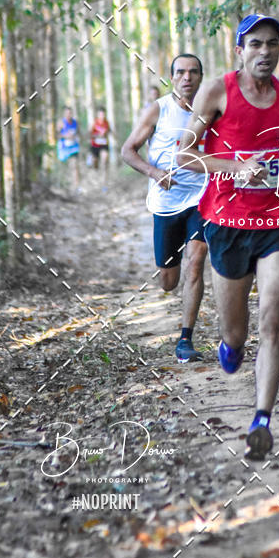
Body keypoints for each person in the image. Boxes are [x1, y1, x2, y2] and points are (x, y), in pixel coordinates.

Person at [177, 14, 279, 460]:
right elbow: (183, 155)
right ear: (239, 50)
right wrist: (233, 168)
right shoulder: (217, 91)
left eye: (272, 44)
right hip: (229, 223)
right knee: (235, 336)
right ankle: (230, 348)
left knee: (273, 319)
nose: (265, 52)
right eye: (255, 44)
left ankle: (262, 419)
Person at [121, 54, 209, 363]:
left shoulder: (211, 109)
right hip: (166, 203)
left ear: (200, 77)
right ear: (172, 77)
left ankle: (185, 339)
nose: (187, 78)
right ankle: (167, 273)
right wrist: (155, 173)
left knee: (196, 262)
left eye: (193, 72)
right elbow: (127, 150)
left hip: (201, 198)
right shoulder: (158, 110)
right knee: (169, 282)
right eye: (181, 72)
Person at [57, 106, 80, 186]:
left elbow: (78, 133)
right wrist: (65, 136)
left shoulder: (75, 122)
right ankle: (63, 184)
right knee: (64, 167)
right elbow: (57, 135)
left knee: (75, 165)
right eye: (67, 113)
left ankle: (76, 185)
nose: (68, 115)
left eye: (70, 113)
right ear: (64, 114)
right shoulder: (61, 123)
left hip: (73, 147)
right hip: (64, 147)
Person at [89, 107, 111, 181]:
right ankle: (95, 171)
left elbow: (109, 131)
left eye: (103, 114)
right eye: (100, 114)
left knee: (105, 159)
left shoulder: (106, 123)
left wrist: (106, 134)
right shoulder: (94, 123)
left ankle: (105, 179)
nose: (102, 116)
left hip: (104, 144)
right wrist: (97, 135)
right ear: (97, 115)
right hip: (95, 145)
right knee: (95, 161)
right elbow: (89, 134)